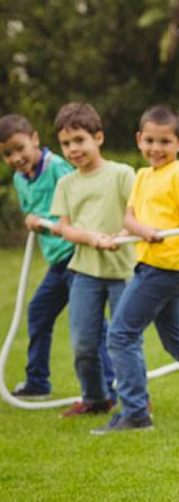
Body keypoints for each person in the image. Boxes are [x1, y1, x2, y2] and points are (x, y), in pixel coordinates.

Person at [92, 105, 179, 434]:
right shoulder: (142, 176)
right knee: (175, 341)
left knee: (121, 335)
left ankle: (135, 414)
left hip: (164, 269)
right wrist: (130, 233)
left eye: (165, 142)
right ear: (139, 140)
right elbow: (130, 218)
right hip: (150, 264)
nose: (156, 148)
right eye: (150, 140)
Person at [0, 113, 115, 401]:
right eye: (7, 154)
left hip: (77, 255)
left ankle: (111, 385)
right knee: (38, 312)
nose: (16, 157)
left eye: (20, 148)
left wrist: (47, 220)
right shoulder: (19, 178)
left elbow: (77, 201)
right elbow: (31, 210)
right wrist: (31, 218)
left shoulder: (58, 168)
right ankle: (38, 381)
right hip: (57, 262)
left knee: (92, 327)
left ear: (35, 139)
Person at [49, 103, 136, 417]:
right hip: (84, 272)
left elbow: (136, 215)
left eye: (80, 140)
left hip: (123, 271)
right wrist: (92, 238)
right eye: (66, 144)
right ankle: (96, 398)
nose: (73, 149)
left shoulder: (122, 174)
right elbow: (64, 227)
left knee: (123, 340)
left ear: (98, 137)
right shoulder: (66, 184)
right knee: (84, 344)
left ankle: (134, 402)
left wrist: (121, 234)